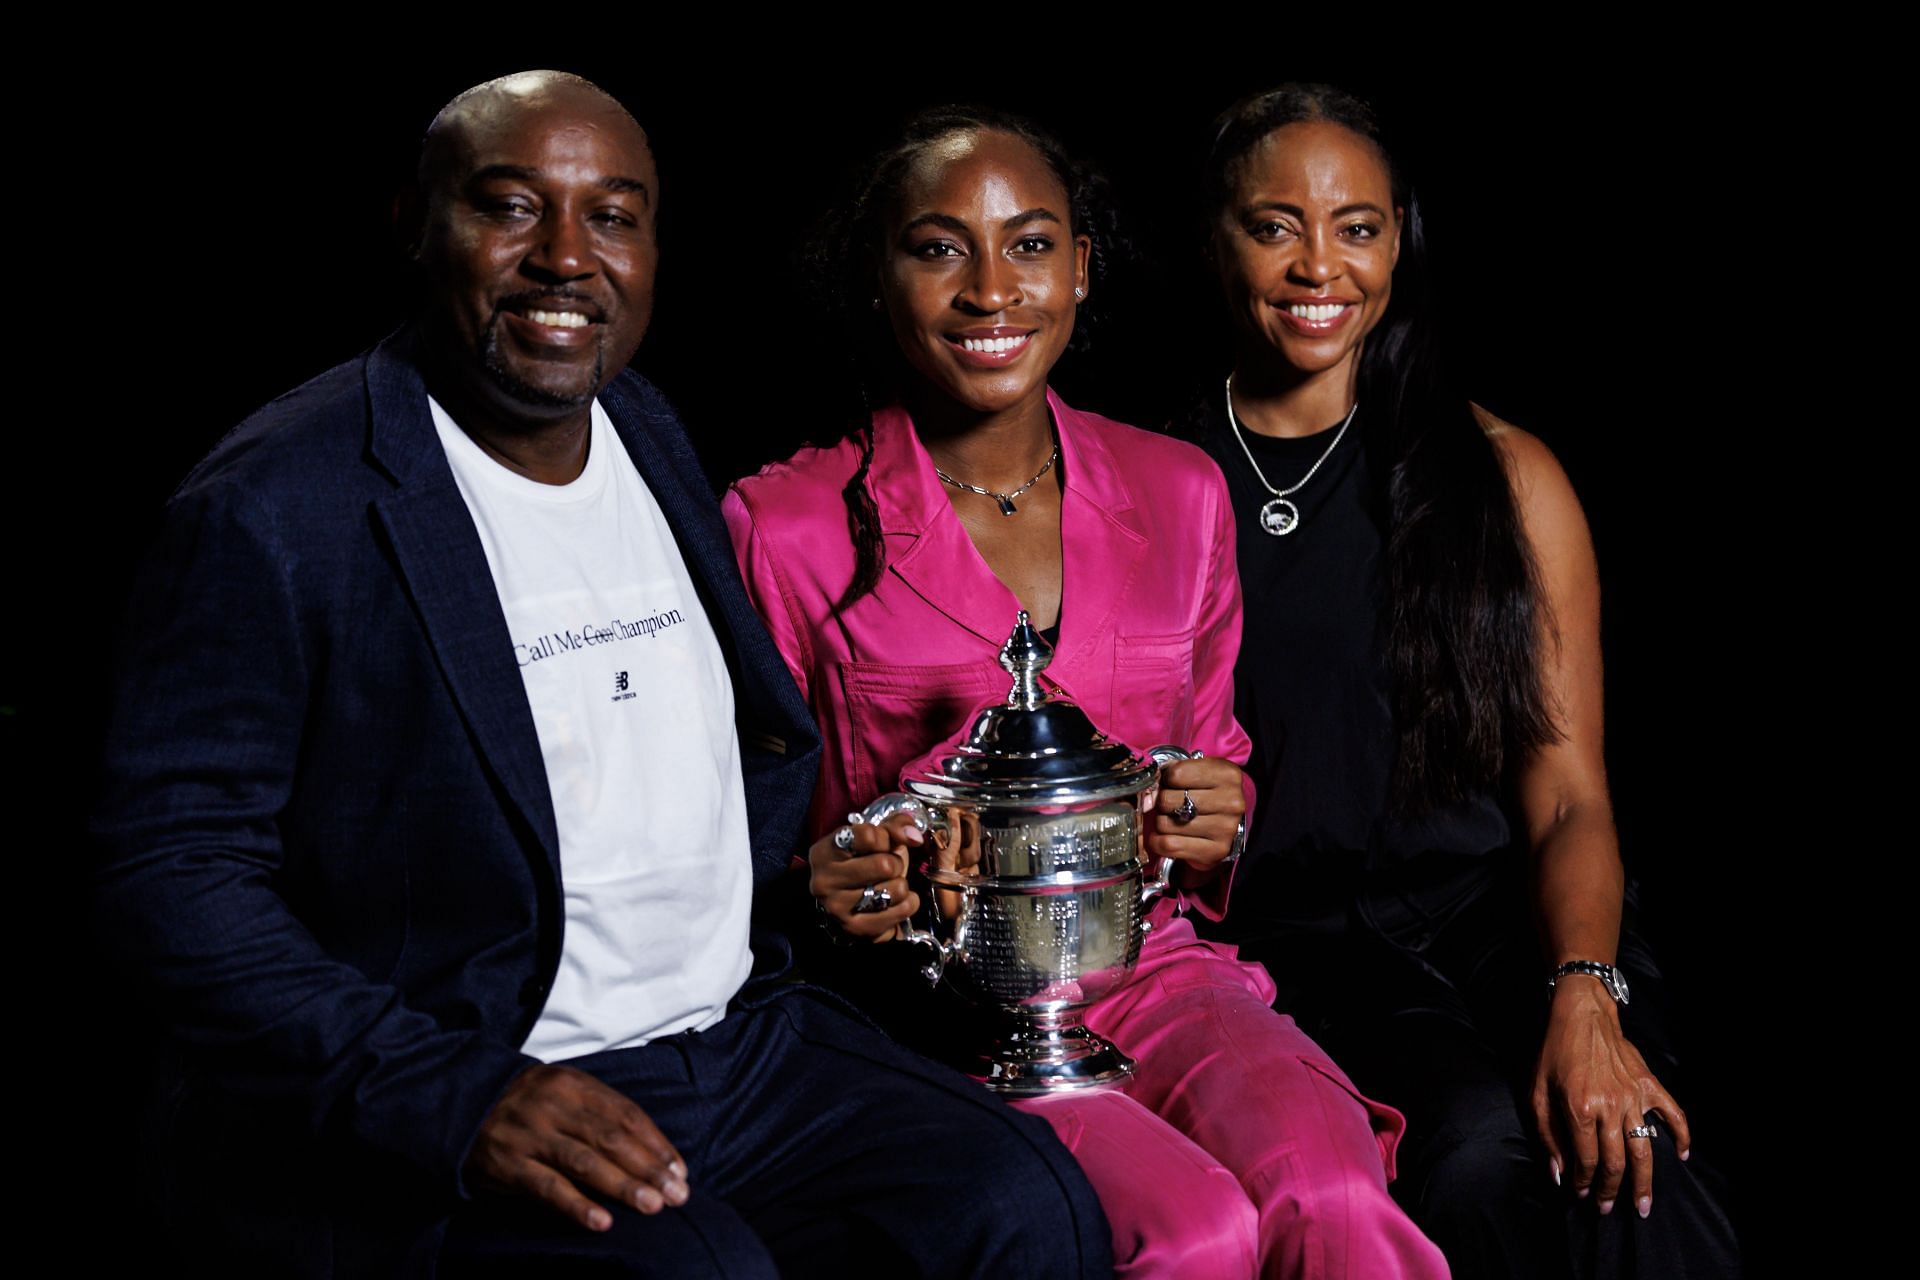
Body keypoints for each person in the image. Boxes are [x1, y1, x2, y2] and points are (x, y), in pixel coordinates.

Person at [89, 71, 1112, 1280]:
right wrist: (448, 1093)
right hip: (475, 1064)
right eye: (513, 207)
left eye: (614, 215)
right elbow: (169, 868)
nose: (567, 257)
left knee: (1030, 1204)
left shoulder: (642, 427)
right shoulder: (277, 505)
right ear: (417, 225)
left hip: (733, 1045)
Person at [724, 106, 1449, 1280]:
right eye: (940, 246)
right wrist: (819, 888)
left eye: (1031, 244)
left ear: (1081, 267)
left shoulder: (1180, 491)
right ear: (877, 276)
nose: (991, 289)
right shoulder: (785, 524)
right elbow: (748, 844)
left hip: (1150, 960)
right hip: (934, 1003)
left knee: (1331, 1194)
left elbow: (1216, 763)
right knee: (1193, 1230)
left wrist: (1221, 813)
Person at [1186, 84, 1741, 1278]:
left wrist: (1585, 992)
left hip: (1501, 920)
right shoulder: (1153, 480)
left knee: (1625, 1147)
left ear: (1400, 240)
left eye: (1358, 226)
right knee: (1477, 1152)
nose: (1317, 264)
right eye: (1273, 224)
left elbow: (1569, 796)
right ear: (1215, 237)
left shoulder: (1499, 471)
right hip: (1297, 950)